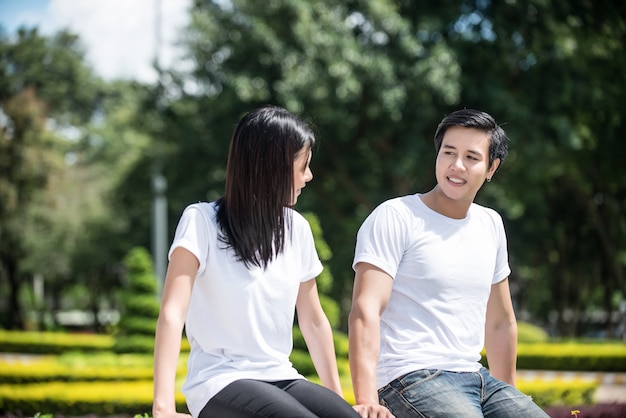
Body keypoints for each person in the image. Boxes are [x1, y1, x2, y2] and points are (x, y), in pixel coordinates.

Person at [152, 105, 361, 418]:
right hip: (220, 380)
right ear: (273, 166)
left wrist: (336, 401)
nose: (309, 176)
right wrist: (163, 407)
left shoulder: (297, 229)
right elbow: (172, 313)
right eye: (303, 165)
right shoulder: (201, 222)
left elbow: (314, 320)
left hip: (282, 375)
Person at [348, 109, 549, 418]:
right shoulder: (396, 216)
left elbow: (500, 322)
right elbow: (365, 310)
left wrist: (508, 395)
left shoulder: (490, 224)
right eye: (449, 153)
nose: (457, 166)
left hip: (477, 378)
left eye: (471, 157)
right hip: (409, 376)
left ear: (492, 167)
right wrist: (366, 400)